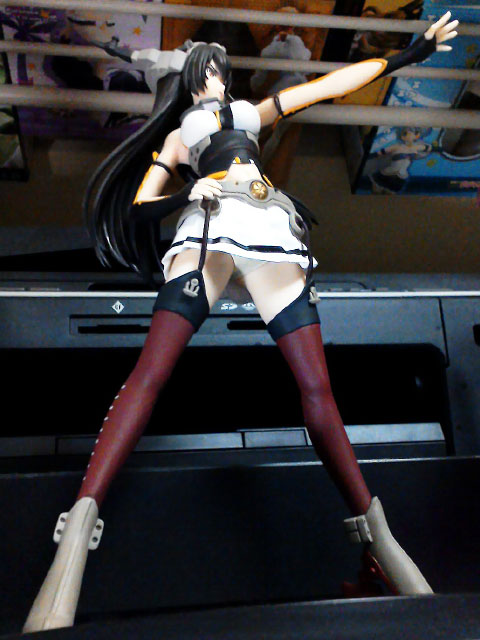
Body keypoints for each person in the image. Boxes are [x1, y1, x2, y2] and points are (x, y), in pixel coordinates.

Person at [23, 12, 458, 632]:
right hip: (207, 229)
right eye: (209, 70)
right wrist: (186, 195)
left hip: (267, 226)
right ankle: (76, 534)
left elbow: (325, 87)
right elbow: (144, 205)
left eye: (221, 70)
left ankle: (380, 538)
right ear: (193, 77)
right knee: (150, 375)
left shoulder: (252, 113)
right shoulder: (181, 136)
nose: (217, 78)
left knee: (317, 388)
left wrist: (409, 55)